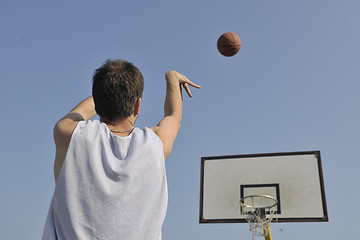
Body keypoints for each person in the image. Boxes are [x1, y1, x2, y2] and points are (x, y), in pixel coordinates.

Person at [42, 59, 200, 240]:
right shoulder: (155, 143)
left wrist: (107, 93)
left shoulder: (69, 133)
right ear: (137, 105)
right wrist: (172, 77)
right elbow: (173, 116)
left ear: (98, 101)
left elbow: (79, 114)